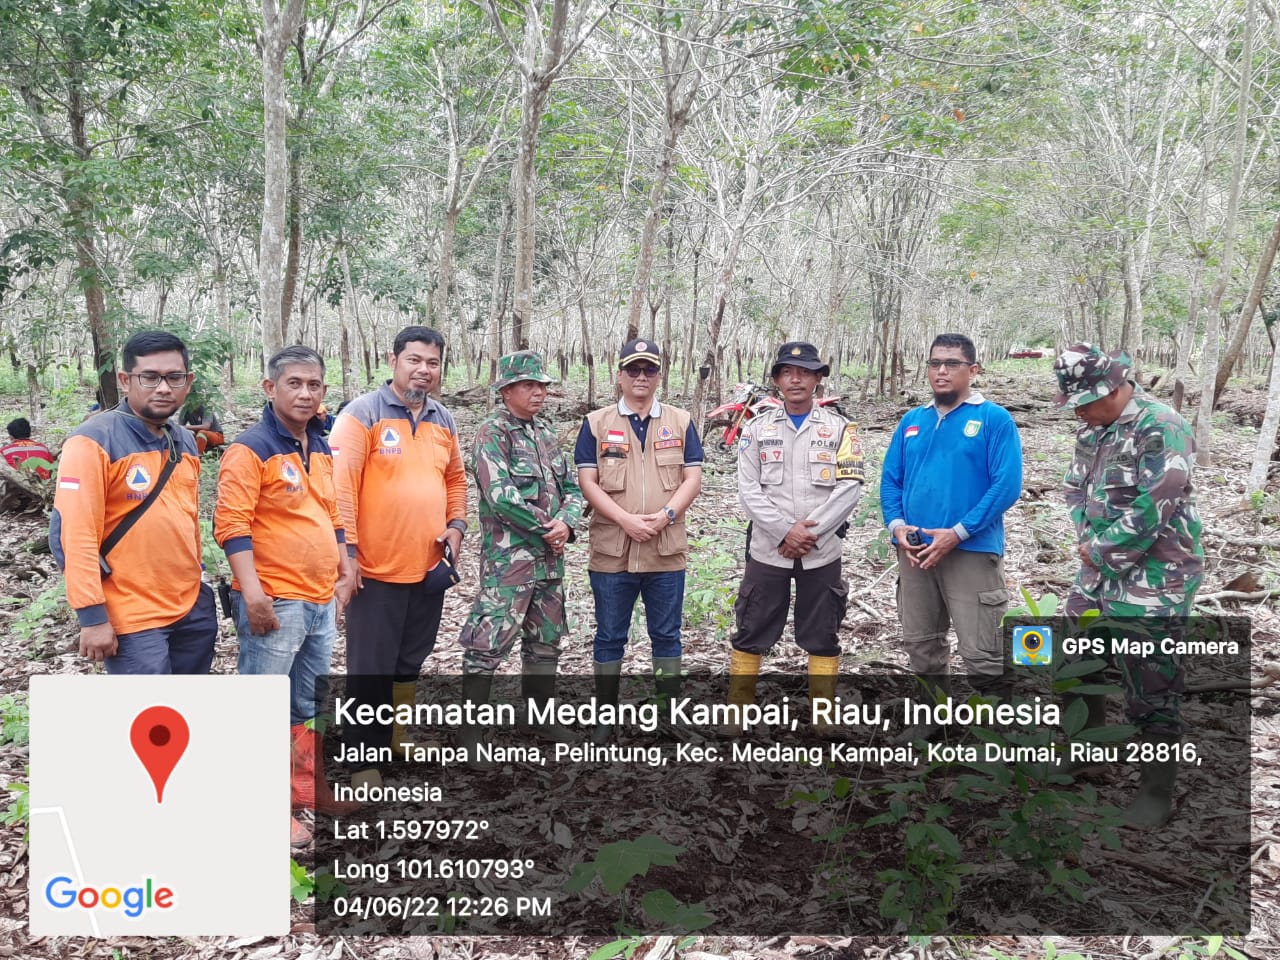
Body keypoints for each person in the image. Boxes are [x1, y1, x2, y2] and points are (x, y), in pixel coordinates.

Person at [1054, 343, 1203, 828]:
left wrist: (1100, 550)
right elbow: (1077, 489)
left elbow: (1155, 505)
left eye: (1087, 400)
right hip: (1096, 571)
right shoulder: (1092, 431)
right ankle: (1084, 748)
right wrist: (1088, 542)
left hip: (1157, 574)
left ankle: (1155, 789)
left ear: (1116, 389)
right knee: (1074, 657)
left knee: (1150, 679)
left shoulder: (1162, 426)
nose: (1080, 410)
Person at [214, 345, 357, 845]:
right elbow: (230, 525)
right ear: (270, 388)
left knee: (305, 703)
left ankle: (303, 788)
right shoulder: (250, 448)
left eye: (314, 384)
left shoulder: (318, 443)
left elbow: (331, 512)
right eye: (294, 383)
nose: (305, 393)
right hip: (276, 599)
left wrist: (344, 568)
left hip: (318, 598)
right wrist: (252, 593)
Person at [330, 325, 468, 789]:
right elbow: (341, 489)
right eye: (414, 360)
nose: (423, 370)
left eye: (432, 362)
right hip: (375, 569)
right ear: (393, 361)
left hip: (428, 566)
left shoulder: (443, 419)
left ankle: (395, 737)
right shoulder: (362, 415)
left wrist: (457, 526)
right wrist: (347, 555)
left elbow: (455, 481)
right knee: (371, 664)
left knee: (410, 659)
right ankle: (360, 754)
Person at [880, 333, 1024, 738]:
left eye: (952, 364)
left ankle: (997, 733)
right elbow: (891, 480)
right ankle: (931, 720)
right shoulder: (912, 421)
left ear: (973, 370)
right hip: (915, 551)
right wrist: (897, 526)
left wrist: (958, 532)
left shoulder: (994, 420)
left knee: (983, 648)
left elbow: (1006, 485)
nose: (941, 371)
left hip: (971, 550)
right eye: (934, 363)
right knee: (922, 643)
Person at [49, 330, 217, 674]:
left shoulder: (184, 439)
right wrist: (92, 617)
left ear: (189, 380)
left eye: (174, 377)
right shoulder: (94, 440)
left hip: (190, 606)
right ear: (126, 380)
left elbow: (186, 517)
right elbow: (74, 533)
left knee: (189, 717)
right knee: (147, 721)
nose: (164, 387)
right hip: (132, 612)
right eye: (150, 377)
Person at [725, 341, 863, 734]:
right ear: (776, 380)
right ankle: (738, 711)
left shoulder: (840, 429)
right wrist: (786, 531)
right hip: (769, 549)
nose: (796, 378)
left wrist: (808, 533)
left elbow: (850, 486)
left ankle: (823, 715)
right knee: (752, 625)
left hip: (821, 551)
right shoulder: (755, 429)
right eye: (788, 371)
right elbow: (749, 489)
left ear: (819, 379)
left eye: (806, 372)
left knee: (822, 629)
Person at [574, 339, 703, 744]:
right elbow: (587, 481)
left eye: (649, 370)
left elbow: (692, 478)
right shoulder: (596, 422)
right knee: (610, 634)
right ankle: (605, 717)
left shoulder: (680, 421)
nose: (641, 377)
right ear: (621, 374)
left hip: (666, 549)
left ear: (659, 374)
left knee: (667, 634)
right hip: (612, 549)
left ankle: (669, 713)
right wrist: (625, 519)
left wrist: (665, 516)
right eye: (634, 370)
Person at [457, 351, 585, 748]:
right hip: (508, 563)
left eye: (542, 386)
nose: (538, 393)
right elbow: (501, 498)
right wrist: (546, 529)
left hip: (550, 562)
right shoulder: (492, 433)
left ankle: (538, 719)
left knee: (545, 642)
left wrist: (566, 523)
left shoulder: (544, 434)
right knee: (488, 645)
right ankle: (470, 734)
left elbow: (574, 488)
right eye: (529, 385)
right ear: (507, 390)